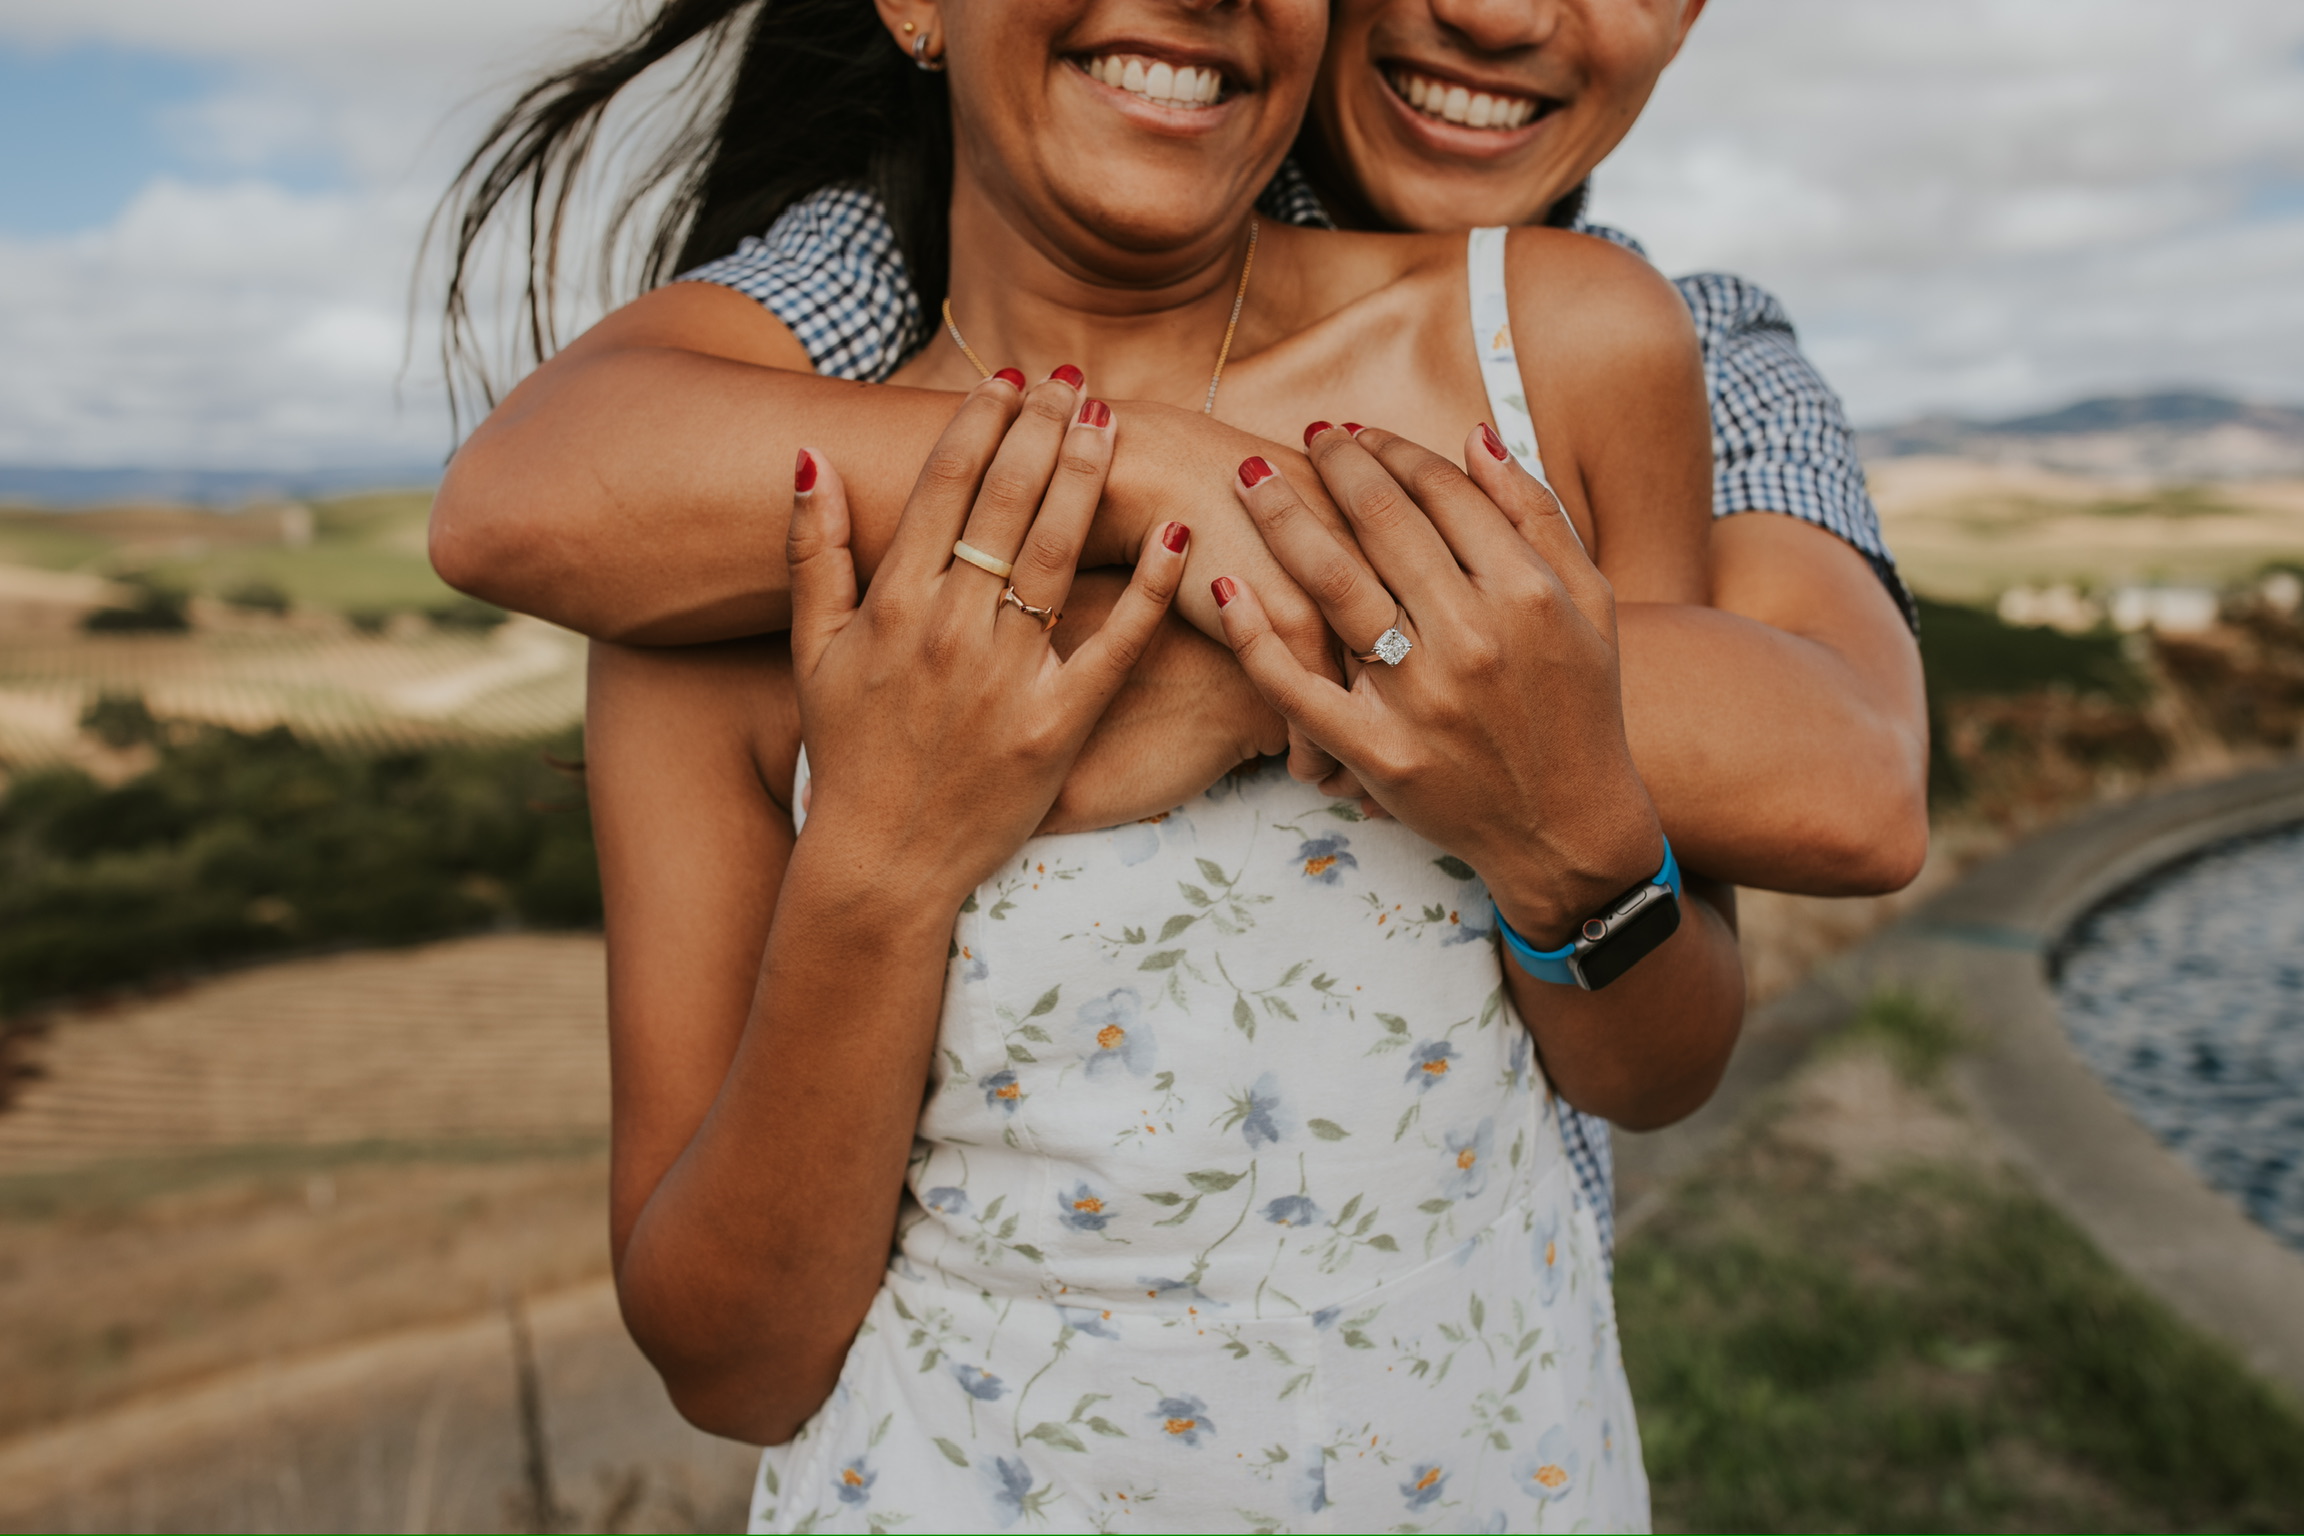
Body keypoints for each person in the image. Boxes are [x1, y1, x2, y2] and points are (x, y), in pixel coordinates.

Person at [442, 0, 1756, 1527]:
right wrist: (884, 860)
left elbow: (1666, 1070)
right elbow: (734, 1366)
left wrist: (1562, 844)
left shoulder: (1563, 356)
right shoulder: (742, 561)